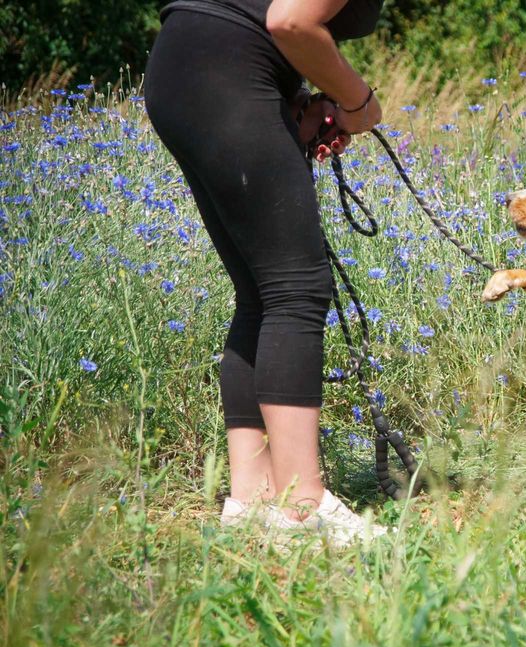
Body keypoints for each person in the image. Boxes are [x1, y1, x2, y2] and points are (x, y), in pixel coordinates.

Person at [144, 0, 387, 539]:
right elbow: (291, 21)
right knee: (296, 289)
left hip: (186, 63)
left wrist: (291, 98)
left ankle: (251, 501)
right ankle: (304, 503)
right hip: (226, 68)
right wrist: (358, 102)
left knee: (262, 293)